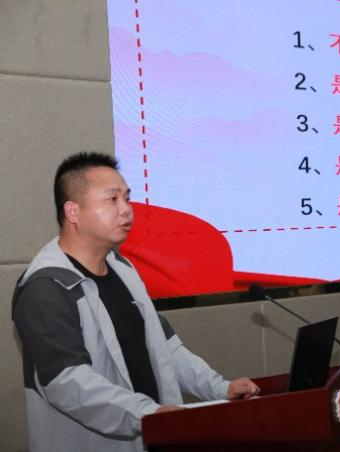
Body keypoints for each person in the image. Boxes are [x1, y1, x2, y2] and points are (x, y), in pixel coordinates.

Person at [12, 152, 260, 452]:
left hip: (150, 435)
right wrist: (148, 414)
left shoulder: (123, 269)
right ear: (73, 211)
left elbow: (165, 348)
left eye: (127, 199)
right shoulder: (46, 288)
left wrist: (220, 388)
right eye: (112, 199)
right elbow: (68, 383)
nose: (126, 210)